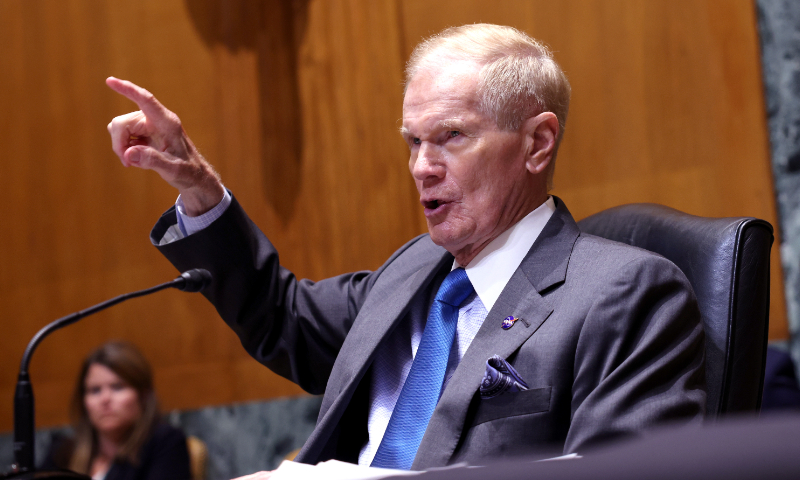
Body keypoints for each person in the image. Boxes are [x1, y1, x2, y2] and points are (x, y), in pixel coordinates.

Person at [105, 24, 705, 471]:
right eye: (413, 141)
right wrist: (198, 188)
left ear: (537, 144)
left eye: (450, 137)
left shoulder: (624, 292)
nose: (421, 167)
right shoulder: (414, 270)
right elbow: (280, 318)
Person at [42, 341, 192, 480]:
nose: (105, 399)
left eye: (117, 387)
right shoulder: (63, 452)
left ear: (143, 394)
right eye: (95, 390)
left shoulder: (165, 443)